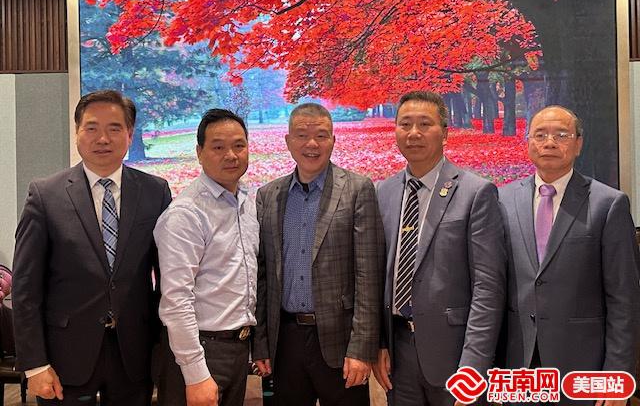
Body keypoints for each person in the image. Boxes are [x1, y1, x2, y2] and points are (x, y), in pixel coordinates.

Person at [12, 89, 172, 405]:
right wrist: (34, 364)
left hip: (134, 353)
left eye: (114, 128)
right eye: (92, 128)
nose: (103, 139)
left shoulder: (155, 192)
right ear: (77, 133)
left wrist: (162, 350)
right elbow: (25, 288)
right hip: (64, 355)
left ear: (129, 135)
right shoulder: (45, 195)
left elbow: (167, 278)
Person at [498, 105, 640, 405]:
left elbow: (624, 298)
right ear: (528, 143)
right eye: (540, 135)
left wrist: (617, 374)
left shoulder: (608, 204)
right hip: (517, 363)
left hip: (583, 366)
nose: (549, 143)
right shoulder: (502, 199)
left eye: (561, 135)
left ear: (578, 144)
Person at [372, 91, 506, 406]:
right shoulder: (384, 191)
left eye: (424, 124)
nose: (414, 133)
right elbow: (378, 275)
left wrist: (473, 367)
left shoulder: (476, 192)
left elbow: (488, 288)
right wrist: (379, 343)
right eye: (405, 124)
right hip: (398, 354)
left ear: (445, 133)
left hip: (455, 355)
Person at [253, 103, 384, 406]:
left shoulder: (357, 190)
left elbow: (369, 276)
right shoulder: (268, 196)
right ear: (288, 141)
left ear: (333, 141)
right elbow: (262, 276)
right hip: (284, 342)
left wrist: (361, 348)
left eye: (321, 136)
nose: (311, 144)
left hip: (341, 343)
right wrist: (260, 343)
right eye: (302, 135)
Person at [153, 108, 266, 406]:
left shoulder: (246, 203)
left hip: (237, 348)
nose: (231, 155)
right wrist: (195, 374)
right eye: (218, 147)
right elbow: (176, 299)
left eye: (239, 145)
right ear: (199, 153)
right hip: (199, 351)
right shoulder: (186, 214)